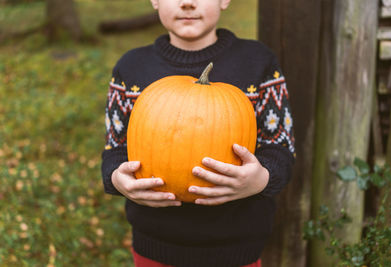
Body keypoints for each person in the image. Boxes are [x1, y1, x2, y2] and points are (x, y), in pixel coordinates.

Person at [101, 0, 295, 266]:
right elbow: (115, 150)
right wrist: (117, 177)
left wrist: (261, 178)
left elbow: (280, 149)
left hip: (237, 247)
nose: (187, 3)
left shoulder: (257, 62)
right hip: (155, 244)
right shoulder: (131, 68)